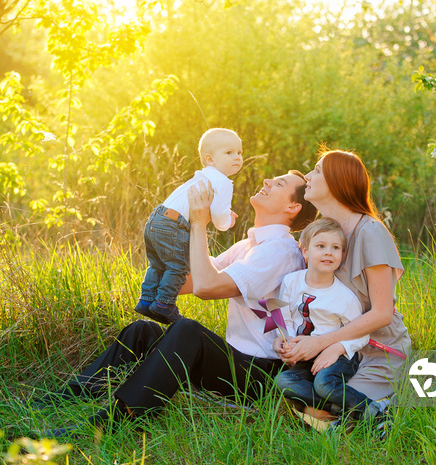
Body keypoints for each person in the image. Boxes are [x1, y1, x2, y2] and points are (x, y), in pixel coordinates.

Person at [37, 171, 318, 438]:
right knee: (142, 331)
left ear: (293, 207)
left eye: (280, 184)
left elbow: (207, 288)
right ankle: (64, 398)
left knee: (187, 330)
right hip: (236, 360)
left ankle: (113, 421)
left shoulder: (279, 251)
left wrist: (199, 224)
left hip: (261, 375)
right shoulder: (249, 246)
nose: (268, 180)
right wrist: (169, 230)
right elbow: (186, 283)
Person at [278, 148, 411, 422]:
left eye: (316, 170)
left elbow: (382, 313)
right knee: (307, 404)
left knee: (323, 409)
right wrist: (291, 343)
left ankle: (393, 401)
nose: (308, 175)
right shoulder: (322, 234)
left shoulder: (370, 233)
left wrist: (323, 344)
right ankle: (362, 408)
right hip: (336, 352)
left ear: (337, 181)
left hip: (376, 350)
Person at [135, 128, 244, 324]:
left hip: (157, 218)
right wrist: (228, 221)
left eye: (239, 152)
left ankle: (146, 299)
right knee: (179, 266)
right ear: (210, 159)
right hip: (173, 225)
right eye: (229, 153)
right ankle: (164, 304)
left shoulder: (201, 176)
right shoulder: (223, 182)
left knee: (158, 264)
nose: (237, 157)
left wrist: (223, 213)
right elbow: (219, 217)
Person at [273, 218, 369, 418]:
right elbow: (284, 318)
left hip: (337, 356)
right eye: (321, 246)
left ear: (342, 255)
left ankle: (373, 411)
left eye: (336, 248)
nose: (328, 252)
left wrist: (337, 349)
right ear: (305, 251)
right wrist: (287, 343)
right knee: (283, 382)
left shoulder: (344, 297)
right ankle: (337, 409)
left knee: (324, 384)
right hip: (304, 356)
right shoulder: (291, 282)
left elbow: (362, 335)